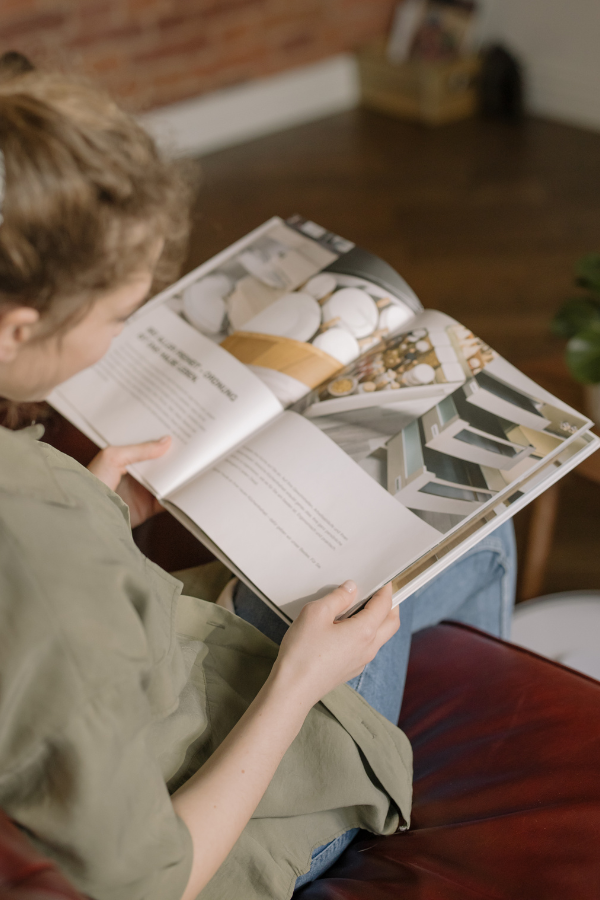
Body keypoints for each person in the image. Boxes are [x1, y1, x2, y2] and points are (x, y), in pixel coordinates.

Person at [0, 56, 516, 900]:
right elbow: (150, 883)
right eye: (118, 317)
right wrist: (298, 686)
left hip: (169, 666)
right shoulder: (43, 567)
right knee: (476, 528)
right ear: (19, 326)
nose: (122, 332)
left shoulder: (38, 520)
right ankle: (461, 791)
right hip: (228, 816)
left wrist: (87, 508)